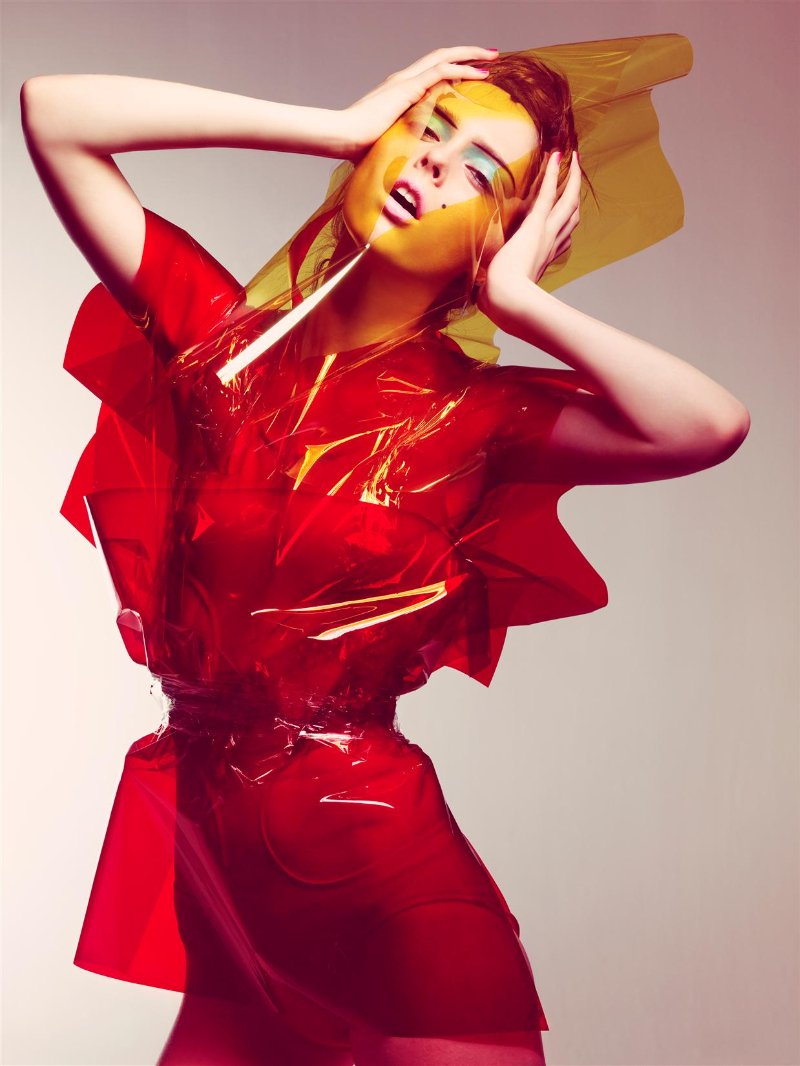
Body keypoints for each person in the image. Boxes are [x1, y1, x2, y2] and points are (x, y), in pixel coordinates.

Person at [21, 38, 749, 1066]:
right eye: (425, 132)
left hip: (382, 873)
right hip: (220, 865)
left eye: (479, 174)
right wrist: (331, 126)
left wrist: (521, 303)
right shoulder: (221, 344)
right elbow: (54, 112)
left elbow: (707, 425)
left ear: (505, 236)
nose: (431, 165)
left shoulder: (480, 413)